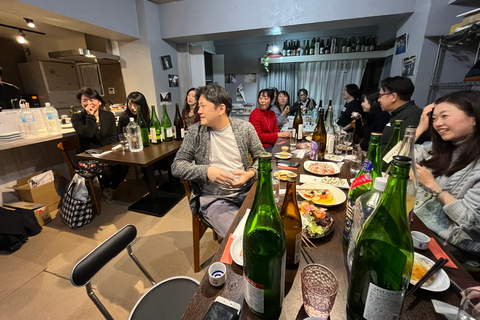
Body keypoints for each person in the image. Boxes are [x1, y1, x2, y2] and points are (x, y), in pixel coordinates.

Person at [171, 83, 264, 239]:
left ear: (221, 109)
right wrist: (206, 172)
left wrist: (251, 173)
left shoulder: (245, 128)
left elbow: (262, 157)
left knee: (271, 225)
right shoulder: (195, 132)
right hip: (215, 199)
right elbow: (177, 166)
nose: (198, 111)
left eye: (203, 106)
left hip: (248, 192)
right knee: (243, 237)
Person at [413, 90, 480, 263]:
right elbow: (390, 160)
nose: (437, 124)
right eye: (434, 118)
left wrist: (433, 186)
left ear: (474, 118)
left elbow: (471, 223)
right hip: (417, 226)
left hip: (450, 248)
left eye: (444, 116)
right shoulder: (440, 147)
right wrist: (419, 128)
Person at [72, 87, 128, 204]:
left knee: (124, 165)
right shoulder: (77, 118)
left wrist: (112, 152)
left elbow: (114, 137)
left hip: (107, 154)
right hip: (88, 157)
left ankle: (110, 189)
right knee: (109, 170)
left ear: (99, 101)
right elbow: (86, 134)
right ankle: (105, 186)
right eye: (85, 101)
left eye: (92, 99)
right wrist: (90, 116)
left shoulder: (108, 116)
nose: (89, 103)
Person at [378, 76, 428, 150]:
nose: (379, 100)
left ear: (393, 97)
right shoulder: (398, 113)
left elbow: (402, 148)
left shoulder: (413, 115)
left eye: (380, 96)